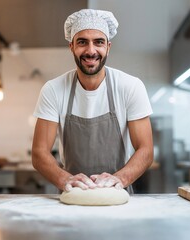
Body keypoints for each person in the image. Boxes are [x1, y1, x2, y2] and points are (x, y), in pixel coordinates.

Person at [32, 9, 153, 193]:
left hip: (117, 196)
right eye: (82, 42)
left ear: (108, 47)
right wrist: (65, 179)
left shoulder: (130, 86)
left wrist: (120, 178)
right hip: (72, 196)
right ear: (71, 46)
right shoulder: (53, 90)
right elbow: (39, 153)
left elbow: (145, 149)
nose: (90, 51)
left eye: (98, 42)